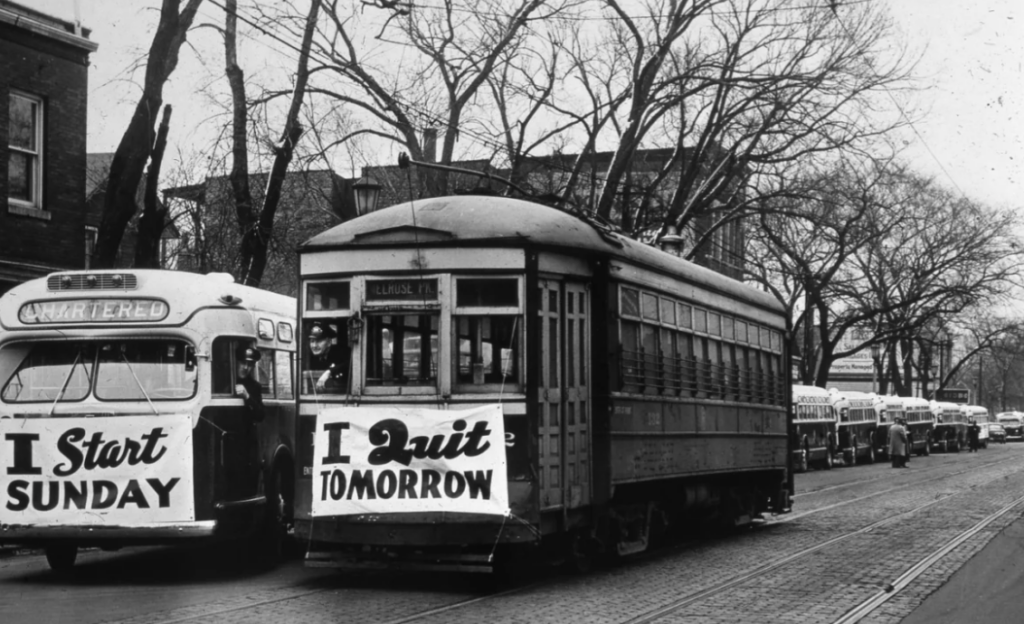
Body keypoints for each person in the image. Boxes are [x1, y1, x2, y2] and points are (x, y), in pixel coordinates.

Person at [308, 322, 348, 391]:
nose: (314, 345)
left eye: (319, 341)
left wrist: (329, 372)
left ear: (329, 342)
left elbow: (349, 363)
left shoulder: (340, 353)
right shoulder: (308, 359)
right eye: (312, 341)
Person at [235, 346, 264, 423]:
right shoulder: (225, 382)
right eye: (243, 362)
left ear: (254, 366)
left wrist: (247, 396)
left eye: (250, 364)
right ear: (236, 363)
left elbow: (260, 416)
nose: (245, 367)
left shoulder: (255, 386)